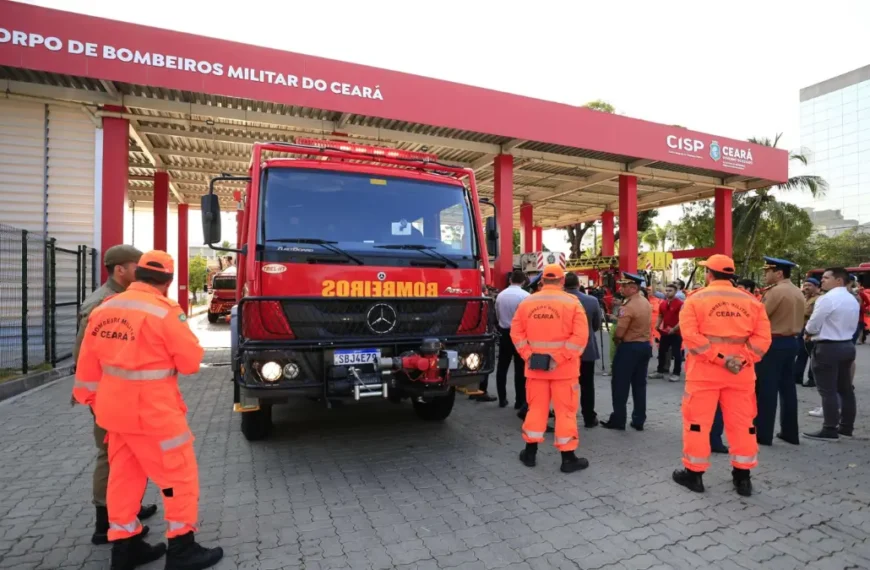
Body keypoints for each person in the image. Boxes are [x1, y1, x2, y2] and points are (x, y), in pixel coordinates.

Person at [73, 251, 224, 570]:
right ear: (167, 282)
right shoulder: (164, 311)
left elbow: (86, 363)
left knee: (124, 480)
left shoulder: (105, 308)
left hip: (114, 412)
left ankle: (125, 548)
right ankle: (182, 549)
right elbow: (190, 362)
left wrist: (90, 398)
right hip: (154, 414)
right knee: (176, 479)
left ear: (137, 275)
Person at [71, 244, 159, 546]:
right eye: (137, 266)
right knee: (111, 455)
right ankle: (104, 522)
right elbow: (85, 353)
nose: (142, 271)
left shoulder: (124, 298)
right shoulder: (103, 302)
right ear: (120, 269)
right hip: (108, 396)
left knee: (130, 454)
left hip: (124, 394)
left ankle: (127, 510)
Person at [672, 255, 771, 497]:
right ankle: (743, 478)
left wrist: (720, 359)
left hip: (704, 373)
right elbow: (763, 339)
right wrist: (741, 359)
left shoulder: (696, 300)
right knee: (743, 425)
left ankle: (694, 475)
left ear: (709, 274)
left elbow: (691, 337)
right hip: (741, 374)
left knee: (697, 424)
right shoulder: (752, 301)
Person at [511, 263, 589, 473]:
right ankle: (568, 458)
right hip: (564, 371)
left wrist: (529, 356)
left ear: (542, 280)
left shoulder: (528, 302)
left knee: (536, 410)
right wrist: (559, 358)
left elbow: (516, 333)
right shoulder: (572, 303)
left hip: (535, 369)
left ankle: (529, 453)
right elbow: (580, 337)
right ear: (562, 281)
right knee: (565, 413)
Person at [803, 268, 859, 441]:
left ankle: (829, 429)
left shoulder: (827, 299)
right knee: (846, 389)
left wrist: (808, 332)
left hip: (828, 347)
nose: (822, 281)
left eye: (826, 278)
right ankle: (846, 427)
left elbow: (813, 324)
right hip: (847, 345)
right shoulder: (851, 298)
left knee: (828, 391)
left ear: (839, 281)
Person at [755, 256, 805, 446]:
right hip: (791, 342)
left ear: (778, 273)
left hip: (773, 343)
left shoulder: (775, 292)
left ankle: (763, 433)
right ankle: (790, 432)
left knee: (767, 390)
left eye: (767, 271)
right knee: (788, 389)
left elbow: (760, 317)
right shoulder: (797, 291)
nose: (764, 274)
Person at [601, 273, 652, 431]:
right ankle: (639, 419)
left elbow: (620, 331)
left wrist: (617, 340)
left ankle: (618, 419)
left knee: (620, 385)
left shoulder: (628, 306)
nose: (621, 288)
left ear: (633, 288)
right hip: (644, 346)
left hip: (629, 347)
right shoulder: (644, 302)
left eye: (624, 286)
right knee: (639, 385)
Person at [478, 270, 530, 407]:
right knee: (520, 369)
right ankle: (520, 401)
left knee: (502, 367)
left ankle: (502, 398)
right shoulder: (526, 296)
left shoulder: (501, 295)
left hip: (504, 333)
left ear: (510, 280)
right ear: (523, 281)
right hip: (520, 335)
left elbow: (496, 314)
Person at [564, 272, 603, 427]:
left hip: (564, 351)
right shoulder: (592, 300)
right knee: (587, 384)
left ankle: (566, 415)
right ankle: (589, 417)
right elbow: (596, 325)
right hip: (586, 348)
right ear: (578, 284)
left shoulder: (559, 301)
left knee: (565, 385)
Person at [651, 283, 684, 382]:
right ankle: (660, 371)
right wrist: (657, 324)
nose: (668, 292)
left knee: (676, 353)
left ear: (675, 292)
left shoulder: (680, 303)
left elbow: (682, 319)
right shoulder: (663, 303)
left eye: (670, 290)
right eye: (667, 290)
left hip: (676, 333)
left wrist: (674, 329)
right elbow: (661, 315)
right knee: (661, 351)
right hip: (665, 332)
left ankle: (676, 373)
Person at [795, 277, 822, 388]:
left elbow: (814, 315)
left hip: (812, 330)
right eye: (805, 285)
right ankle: (797, 377)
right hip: (802, 329)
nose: (806, 287)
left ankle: (812, 379)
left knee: (813, 356)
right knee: (801, 354)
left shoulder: (819, 299)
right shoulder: (804, 298)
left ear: (816, 287)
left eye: (809, 285)